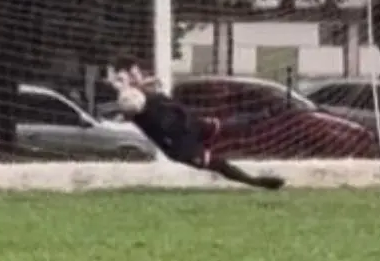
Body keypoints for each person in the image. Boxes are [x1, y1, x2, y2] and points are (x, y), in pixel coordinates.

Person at [110, 58, 284, 191]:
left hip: (192, 125)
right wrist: (126, 87)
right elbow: (131, 104)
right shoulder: (132, 101)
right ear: (125, 78)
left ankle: (266, 115)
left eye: (137, 72)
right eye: (132, 74)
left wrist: (144, 85)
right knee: (220, 164)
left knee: (231, 127)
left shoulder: (148, 92)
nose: (138, 75)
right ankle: (257, 182)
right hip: (179, 145)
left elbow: (150, 94)